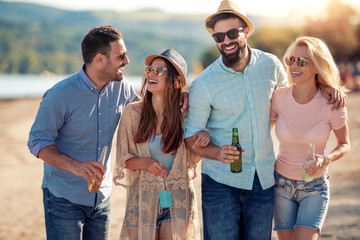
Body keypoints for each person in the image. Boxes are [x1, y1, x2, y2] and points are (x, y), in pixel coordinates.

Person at [183, 0, 343, 239]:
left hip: (264, 181)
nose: (225, 41)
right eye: (218, 37)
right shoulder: (203, 84)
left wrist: (324, 86)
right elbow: (190, 137)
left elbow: (295, 95)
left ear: (246, 31)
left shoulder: (271, 65)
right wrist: (217, 152)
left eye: (231, 33)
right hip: (220, 184)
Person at [27, 26, 190, 240]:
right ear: (99, 59)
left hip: (101, 199)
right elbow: (37, 142)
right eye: (121, 56)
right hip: (63, 198)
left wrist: (181, 94)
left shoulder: (121, 88)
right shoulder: (60, 95)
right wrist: (75, 165)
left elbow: (150, 110)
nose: (127, 61)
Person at [113, 49, 206, 240]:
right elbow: (124, 159)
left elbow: (192, 158)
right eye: (149, 70)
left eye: (159, 71)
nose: (151, 75)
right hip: (142, 199)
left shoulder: (185, 114)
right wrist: (147, 162)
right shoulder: (133, 113)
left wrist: (203, 135)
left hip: (178, 199)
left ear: (175, 80)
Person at [270, 36, 350, 240]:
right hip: (281, 186)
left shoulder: (332, 103)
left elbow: (344, 144)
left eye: (302, 61)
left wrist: (326, 159)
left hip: (314, 187)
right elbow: (259, 131)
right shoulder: (278, 97)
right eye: (291, 59)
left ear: (317, 66)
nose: (294, 66)